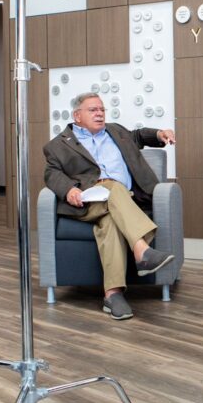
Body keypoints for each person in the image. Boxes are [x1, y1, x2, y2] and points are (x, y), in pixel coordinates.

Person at [43, 93, 177, 320]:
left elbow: (139, 135)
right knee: (112, 186)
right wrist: (69, 189)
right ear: (77, 116)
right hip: (89, 202)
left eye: (102, 110)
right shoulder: (57, 146)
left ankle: (112, 295)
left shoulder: (117, 131)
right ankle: (142, 251)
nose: (99, 114)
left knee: (111, 223)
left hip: (125, 201)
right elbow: (52, 173)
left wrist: (159, 133)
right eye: (93, 110)